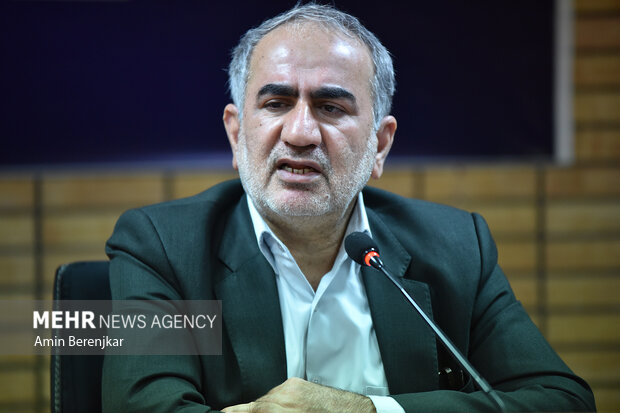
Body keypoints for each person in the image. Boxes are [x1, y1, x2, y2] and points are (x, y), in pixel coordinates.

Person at [102, 3, 596, 412]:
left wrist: (369, 410)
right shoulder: (164, 248)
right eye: (275, 103)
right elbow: (142, 406)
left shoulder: (457, 248)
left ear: (380, 145)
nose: (300, 133)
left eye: (331, 107)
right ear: (236, 135)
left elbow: (561, 400)